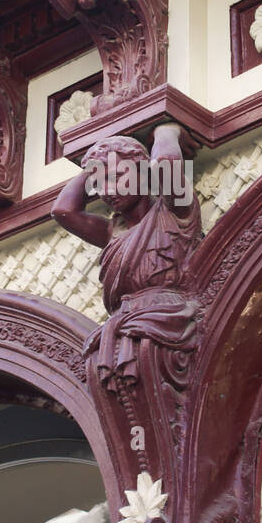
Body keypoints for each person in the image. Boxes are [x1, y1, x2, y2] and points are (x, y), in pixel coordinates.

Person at [52, 123, 200, 393]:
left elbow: (166, 163)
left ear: (144, 173)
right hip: (124, 328)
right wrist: (94, 166)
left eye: (118, 177)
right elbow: (63, 210)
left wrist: (166, 131)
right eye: (99, 183)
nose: (107, 190)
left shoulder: (174, 211)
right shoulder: (111, 231)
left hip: (166, 318)